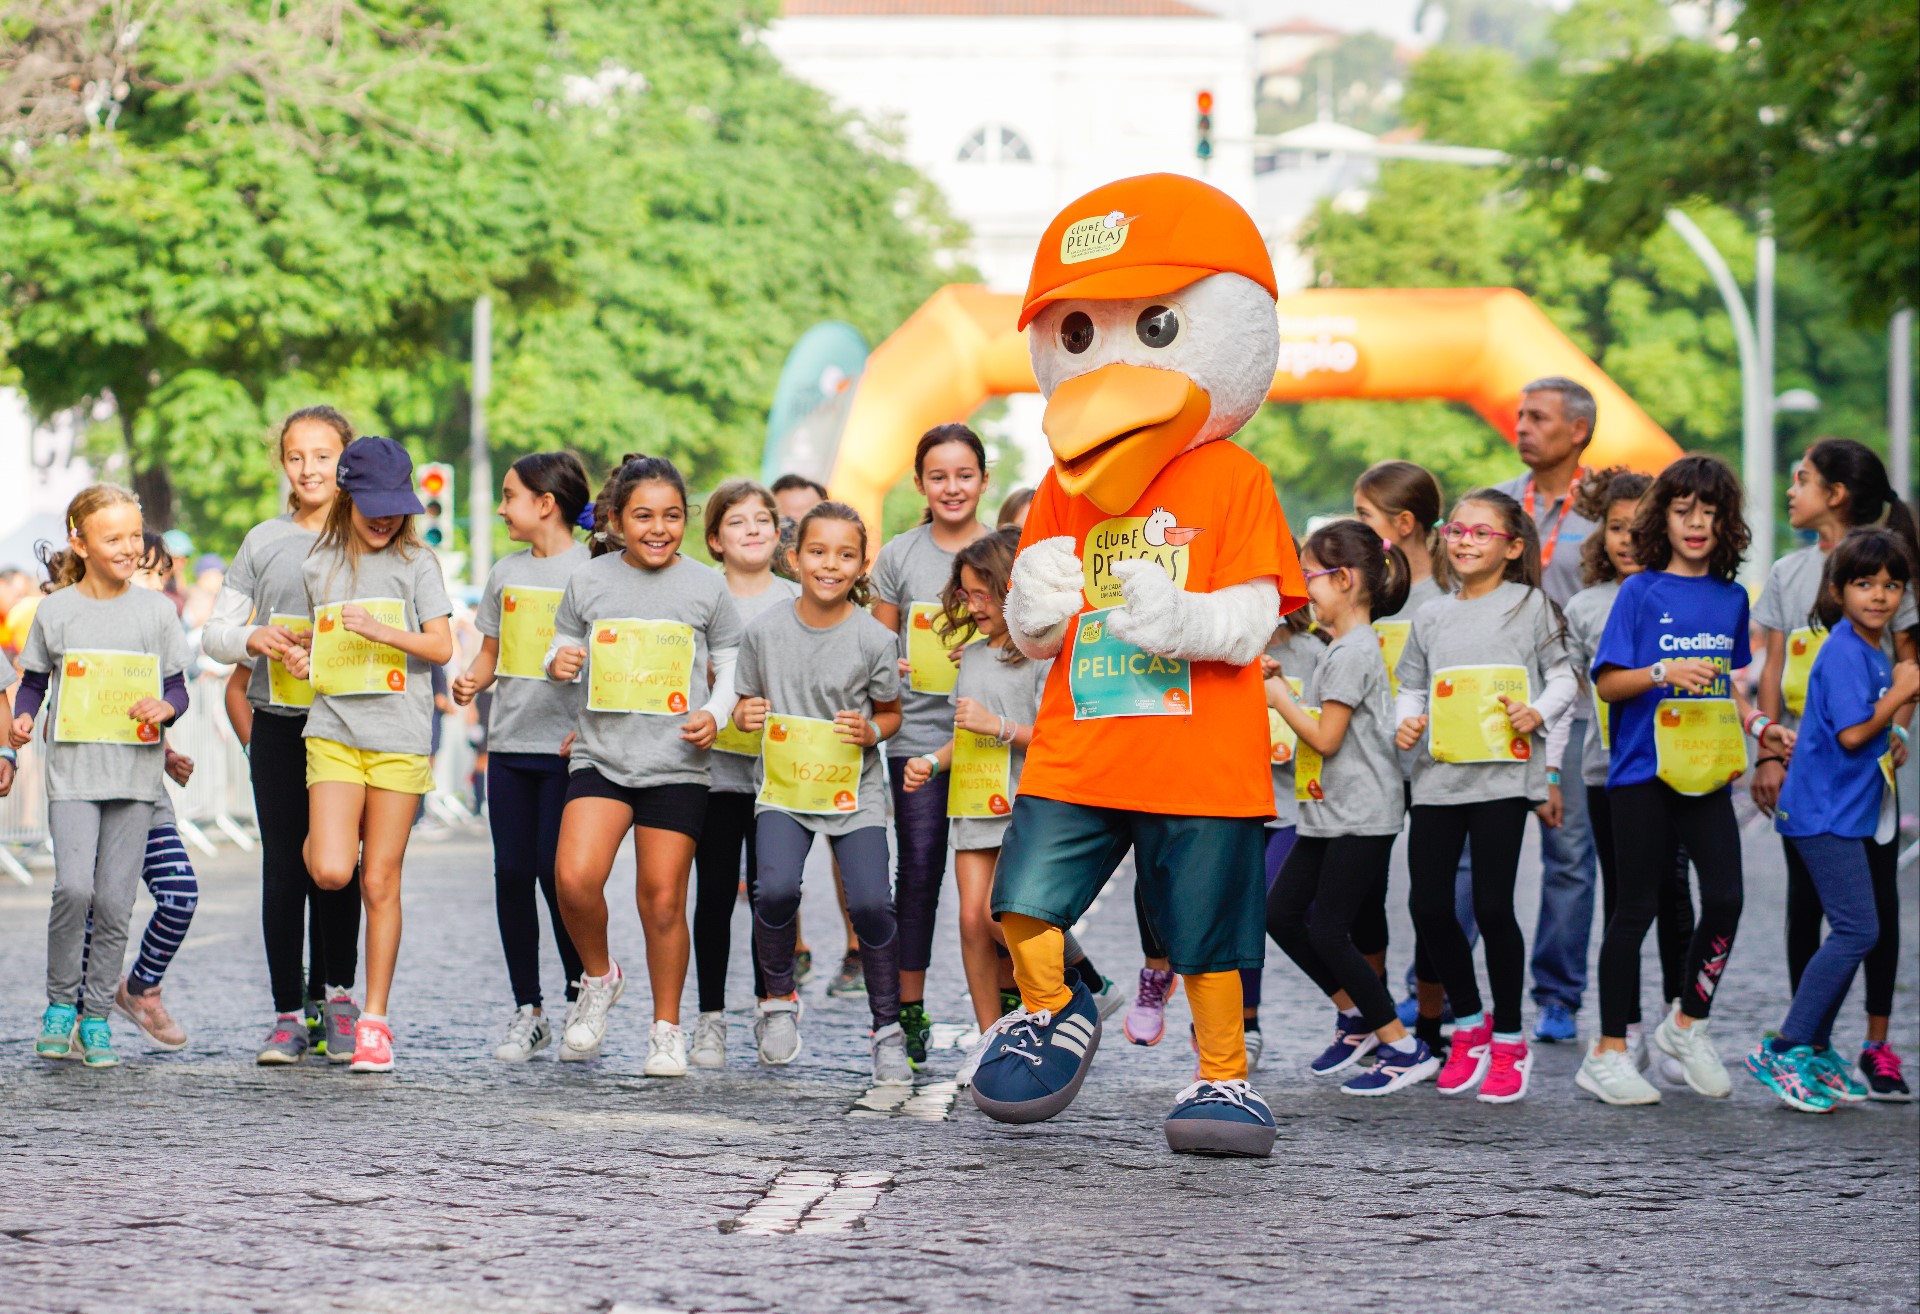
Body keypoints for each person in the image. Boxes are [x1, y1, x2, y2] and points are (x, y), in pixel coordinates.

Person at [1577, 455, 1792, 1106]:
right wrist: (1663, 672)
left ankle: (1686, 1025)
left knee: (1726, 899)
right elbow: (1608, 685)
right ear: (1663, 519)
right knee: (1635, 909)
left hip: (1707, 770)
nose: (1696, 524)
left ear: (1727, 523)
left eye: (1710, 513)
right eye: (1683, 511)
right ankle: (1607, 1052)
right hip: (1640, 773)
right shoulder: (1639, 592)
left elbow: (1726, 687)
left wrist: (1760, 728)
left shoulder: (1731, 599)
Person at [545, 455, 741, 1077]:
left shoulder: (706, 586)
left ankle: (666, 1029)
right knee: (574, 878)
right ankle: (599, 977)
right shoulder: (589, 579)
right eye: (644, 516)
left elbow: (731, 664)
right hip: (601, 755)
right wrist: (558, 662)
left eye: (672, 516)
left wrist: (715, 712)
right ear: (616, 520)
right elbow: (561, 645)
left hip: (676, 762)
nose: (658, 528)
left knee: (661, 901)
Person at [1393, 488, 1576, 1103]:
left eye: (1481, 532)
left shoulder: (1531, 607)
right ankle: (1468, 1022)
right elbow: (1411, 688)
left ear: (1513, 547)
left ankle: (1510, 1038)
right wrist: (1406, 722)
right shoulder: (1431, 615)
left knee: (1494, 909)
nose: (1465, 541)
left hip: (1502, 779)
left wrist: (1538, 712)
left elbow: (1565, 679)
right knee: (1428, 906)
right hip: (1437, 780)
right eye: (1457, 530)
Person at [281, 436, 455, 1074]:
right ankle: (328, 833)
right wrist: (304, 657)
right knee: (331, 870)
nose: (384, 519)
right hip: (334, 728)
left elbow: (440, 648)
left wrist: (383, 631)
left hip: (399, 737)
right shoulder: (318, 565)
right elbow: (324, 644)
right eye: (372, 507)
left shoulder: (418, 563)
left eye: (394, 508)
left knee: (379, 880)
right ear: (347, 497)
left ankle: (374, 1020)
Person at [1752, 438, 1918, 1101]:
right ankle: (1789, 1048)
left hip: (1849, 803)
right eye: (1865, 586)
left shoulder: (1869, 646)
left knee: (1863, 922)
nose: (1880, 596)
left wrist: (1897, 714)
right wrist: (1900, 696)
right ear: (1839, 591)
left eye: (1891, 587)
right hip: (1821, 805)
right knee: (1852, 926)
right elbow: (1852, 731)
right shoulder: (1849, 651)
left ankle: (1819, 1047)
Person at [201, 406, 366, 1064]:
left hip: (349, 727)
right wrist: (253, 637)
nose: (309, 469)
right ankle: (287, 1014)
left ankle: (336, 1000)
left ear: (346, 459)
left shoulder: (371, 533)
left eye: (323, 455)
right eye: (296, 456)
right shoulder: (263, 540)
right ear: (282, 463)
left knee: (338, 867)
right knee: (283, 868)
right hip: (278, 723)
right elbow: (215, 633)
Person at [731, 500, 909, 1083]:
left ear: (861, 566)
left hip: (853, 792)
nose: (830, 564)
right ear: (794, 558)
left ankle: (887, 1031)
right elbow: (744, 705)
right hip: (785, 791)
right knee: (774, 889)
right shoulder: (763, 632)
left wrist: (872, 731)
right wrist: (745, 714)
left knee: (872, 904)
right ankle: (778, 1002)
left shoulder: (875, 639)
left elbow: (890, 713)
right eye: (817, 551)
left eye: (845, 554)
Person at [18, 484, 192, 1067]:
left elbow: (177, 688)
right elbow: (35, 682)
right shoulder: (55, 611)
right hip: (73, 775)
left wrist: (166, 709)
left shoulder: (157, 611)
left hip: (136, 780)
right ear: (81, 543)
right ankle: (58, 1006)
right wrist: (23, 718)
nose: (128, 548)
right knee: (74, 889)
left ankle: (95, 1018)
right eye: (112, 538)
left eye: (134, 536)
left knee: (116, 902)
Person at [1268, 519, 1437, 1094]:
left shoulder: (1352, 651)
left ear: (1344, 580)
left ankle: (1403, 1047)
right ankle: (1359, 1016)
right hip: (1329, 812)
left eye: (1309, 576)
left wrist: (1279, 696)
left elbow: (1326, 738)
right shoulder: (1343, 647)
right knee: (1281, 914)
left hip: (1360, 814)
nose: (1303, 590)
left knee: (1328, 931)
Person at [901, 530, 1080, 1067]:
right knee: (970, 921)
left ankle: (1073, 984)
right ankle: (990, 1043)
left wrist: (998, 725)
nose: (975, 605)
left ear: (1011, 590)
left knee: (999, 917)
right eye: (967, 594)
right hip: (973, 803)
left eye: (985, 594)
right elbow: (965, 734)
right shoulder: (973, 657)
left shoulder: (1044, 656)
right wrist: (931, 762)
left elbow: (1058, 738)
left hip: (1026, 805)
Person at [450, 453, 593, 1062]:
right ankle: (527, 1009)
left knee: (558, 878)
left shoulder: (593, 570)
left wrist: (589, 729)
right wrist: (470, 680)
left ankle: (581, 995)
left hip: (569, 753)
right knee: (511, 873)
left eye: (510, 496)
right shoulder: (505, 572)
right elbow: (490, 653)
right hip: (509, 745)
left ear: (546, 503)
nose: (501, 508)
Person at [1560, 469, 1696, 1074]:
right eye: (1617, 527)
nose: (1627, 539)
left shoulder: (1684, 595)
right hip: (1606, 772)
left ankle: (1679, 1023)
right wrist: (1548, 774)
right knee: (1624, 899)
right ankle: (1626, 1027)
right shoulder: (1585, 606)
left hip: (1680, 769)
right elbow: (1568, 692)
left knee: (1675, 894)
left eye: (1640, 527)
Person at [868, 424, 993, 1066]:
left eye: (964, 475)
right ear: (919, 483)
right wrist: (894, 665)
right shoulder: (898, 555)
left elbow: (1028, 642)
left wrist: (987, 652)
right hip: (916, 737)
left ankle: (1011, 1012)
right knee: (918, 872)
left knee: (997, 889)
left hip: (990, 741)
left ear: (983, 480)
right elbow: (874, 648)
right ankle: (907, 1009)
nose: (952, 487)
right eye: (938, 476)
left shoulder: (1004, 551)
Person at [1494, 378, 1602, 1046]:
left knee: (1568, 857)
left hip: (1576, 710)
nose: (1522, 427)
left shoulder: (1608, 511)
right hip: (1498, 706)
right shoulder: (1500, 504)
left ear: (1578, 430)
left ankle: (1558, 995)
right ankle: (1443, 990)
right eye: (1519, 416)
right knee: (1475, 854)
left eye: (1537, 417)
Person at [691, 478, 799, 1067]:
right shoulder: (698, 594)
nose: (752, 529)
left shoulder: (798, 597)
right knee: (712, 894)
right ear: (714, 538)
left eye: (762, 519)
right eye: (737, 521)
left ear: (779, 532)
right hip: (716, 773)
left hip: (783, 775)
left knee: (772, 894)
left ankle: (773, 1004)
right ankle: (710, 1017)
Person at [1353, 459, 1455, 1029]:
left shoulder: (1450, 592)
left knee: (1431, 898)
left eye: (1365, 514)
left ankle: (1431, 1020)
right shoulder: (1368, 589)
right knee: (1365, 892)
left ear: (1405, 523)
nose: (1356, 524)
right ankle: (1377, 1018)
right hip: (1373, 765)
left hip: (1437, 766)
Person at [768, 470, 844, 988]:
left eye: (805, 518)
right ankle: (791, 948)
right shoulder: (759, 592)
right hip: (777, 748)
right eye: (786, 520)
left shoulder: (846, 583)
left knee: (848, 846)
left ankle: (858, 948)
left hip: (838, 746)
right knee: (778, 861)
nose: (793, 528)